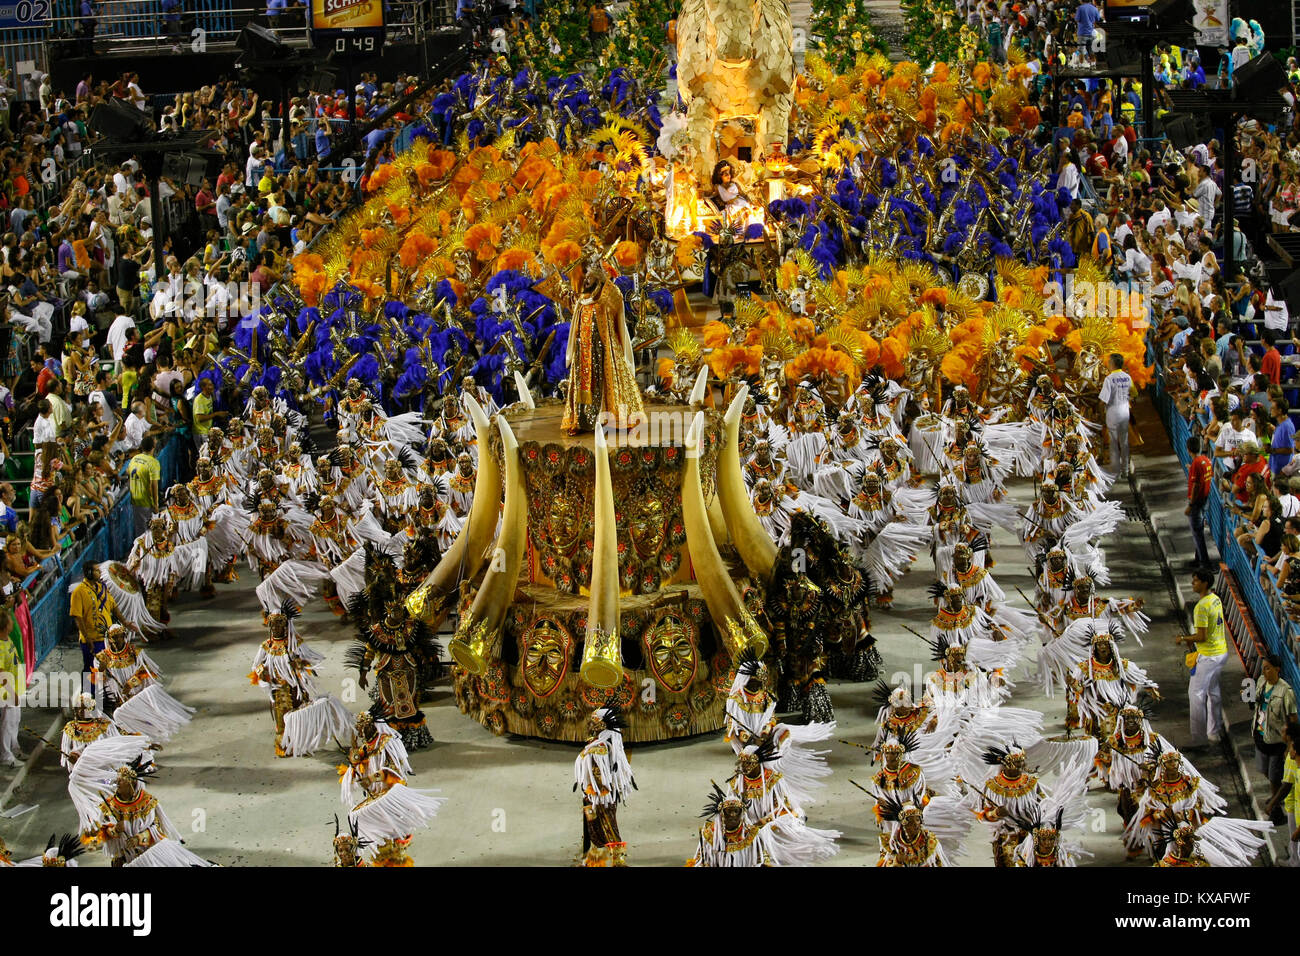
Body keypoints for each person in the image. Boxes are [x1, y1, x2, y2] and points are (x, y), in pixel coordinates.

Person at [1176, 567, 1228, 749]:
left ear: (1204, 583)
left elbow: (1201, 637)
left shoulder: (1202, 607)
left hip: (1208, 656)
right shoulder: (1215, 599)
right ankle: (1214, 733)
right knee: (1213, 692)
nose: (1192, 583)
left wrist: (1183, 639)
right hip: (1221, 652)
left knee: (1196, 694)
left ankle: (1199, 739)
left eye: (1196, 580)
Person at [1253, 653, 1297, 817]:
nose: (1264, 672)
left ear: (1277, 669)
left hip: (1277, 741)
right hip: (1261, 734)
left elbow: (1292, 718)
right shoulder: (1261, 683)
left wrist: (1290, 743)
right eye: (1263, 668)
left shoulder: (1286, 691)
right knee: (1264, 769)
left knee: (1274, 775)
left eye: (1268, 668)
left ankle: (1276, 806)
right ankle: (1276, 796)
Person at [1097, 353, 1132, 477]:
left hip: (1113, 412)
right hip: (1125, 412)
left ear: (1112, 364)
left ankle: (1116, 470)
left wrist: (1101, 415)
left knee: (1113, 442)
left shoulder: (1109, 379)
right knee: (1124, 442)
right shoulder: (1127, 377)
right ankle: (1126, 470)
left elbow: (1102, 401)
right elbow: (1134, 394)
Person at [1185, 435, 1212, 567]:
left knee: (1197, 533)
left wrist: (1190, 504)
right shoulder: (1205, 460)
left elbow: (1196, 486)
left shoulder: (1196, 463)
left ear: (1188, 449)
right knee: (1199, 530)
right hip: (1205, 499)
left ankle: (1205, 563)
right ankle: (1198, 559)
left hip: (1197, 502)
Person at [128, 434, 161, 538]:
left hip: (134, 498)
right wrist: (155, 504)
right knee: (150, 530)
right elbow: (153, 485)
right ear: (153, 447)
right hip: (146, 500)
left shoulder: (134, 458)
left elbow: (127, 472)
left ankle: (140, 550)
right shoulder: (153, 462)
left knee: (139, 529)